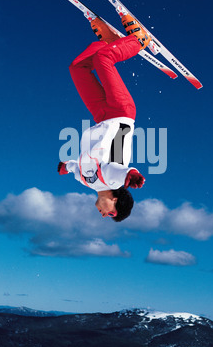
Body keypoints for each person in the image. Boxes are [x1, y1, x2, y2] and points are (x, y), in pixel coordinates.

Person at [58, 12, 150, 222]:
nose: (104, 215)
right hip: (121, 112)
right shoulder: (112, 181)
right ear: (116, 200)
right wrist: (130, 176)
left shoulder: (85, 181)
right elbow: (116, 171)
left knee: (78, 69)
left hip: (101, 115)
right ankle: (139, 40)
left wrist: (65, 167)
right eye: (112, 214)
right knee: (104, 59)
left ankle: (109, 42)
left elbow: (76, 166)